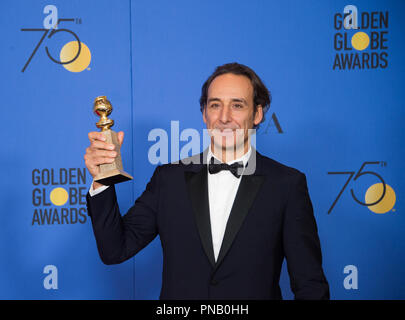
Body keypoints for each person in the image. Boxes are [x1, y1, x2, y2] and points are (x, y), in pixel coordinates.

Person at [84, 62, 330, 300]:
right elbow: (115, 249)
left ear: (257, 113)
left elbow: (310, 285)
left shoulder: (286, 184)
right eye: (215, 105)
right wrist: (102, 180)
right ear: (204, 113)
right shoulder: (169, 180)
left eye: (237, 105)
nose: (224, 117)